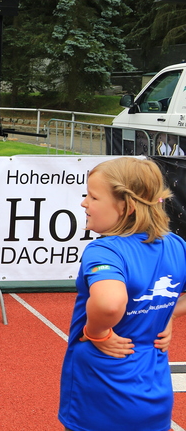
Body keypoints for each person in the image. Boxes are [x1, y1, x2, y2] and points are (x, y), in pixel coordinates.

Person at [58, 157, 186, 431]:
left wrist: (96, 332)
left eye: (93, 197)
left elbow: (109, 303)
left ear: (126, 206)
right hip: (154, 395)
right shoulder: (176, 245)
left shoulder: (105, 251)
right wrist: (167, 312)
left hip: (101, 393)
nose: (84, 203)